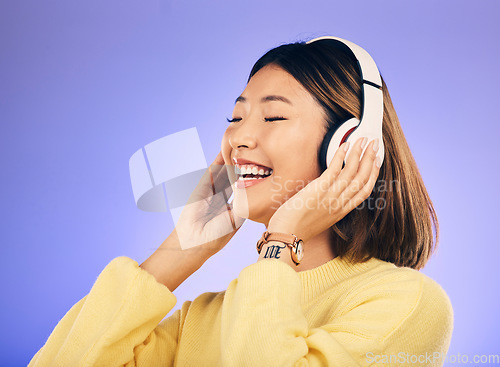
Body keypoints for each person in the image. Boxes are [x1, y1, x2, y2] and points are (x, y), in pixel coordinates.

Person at [29, 37, 453, 366]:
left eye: (273, 117)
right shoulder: (204, 319)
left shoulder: (408, 304)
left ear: (349, 144)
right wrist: (181, 249)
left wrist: (284, 238)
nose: (238, 138)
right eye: (235, 118)